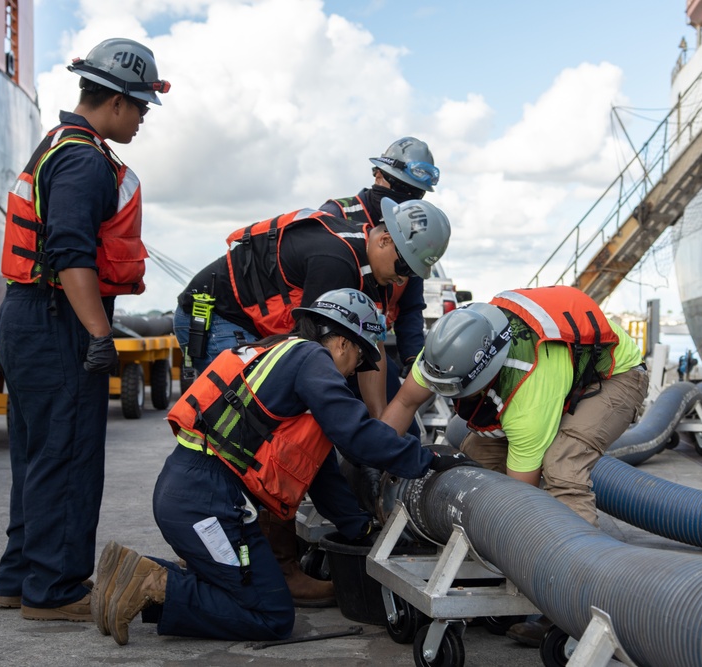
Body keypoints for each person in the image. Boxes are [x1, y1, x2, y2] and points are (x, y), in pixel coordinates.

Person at [92, 288, 471, 645]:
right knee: (270, 614)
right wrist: (427, 459)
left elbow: (319, 471)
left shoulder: (279, 353)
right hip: (206, 504)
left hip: (193, 493)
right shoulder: (312, 360)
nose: (355, 371)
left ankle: (128, 574)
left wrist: (360, 530)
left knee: (252, 589)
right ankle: (151, 583)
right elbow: (356, 434)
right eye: (359, 359)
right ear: (342, 343)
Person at [171, 200, 451, 606]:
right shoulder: (335, 265)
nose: (405, 279)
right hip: (216, 315)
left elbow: (352, 364)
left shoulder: (364, 271)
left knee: (299, 432)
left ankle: (227, 554)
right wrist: (410, 456)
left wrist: (376, 430)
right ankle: (271, 566)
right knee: (262, 442)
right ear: (384, 239)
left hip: (186, 481)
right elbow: (326, 360)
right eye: (405, 267)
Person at [0, 38, 169, 622]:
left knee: (37, 454)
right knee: (67, 454)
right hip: (56, 318)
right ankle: (57, 589)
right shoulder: (85, 159)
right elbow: (70, 254)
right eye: (140, 106)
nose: (142, 118)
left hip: (29, 314)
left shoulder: (57, 147)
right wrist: (99, 333)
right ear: (114, 102)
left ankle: (19, 578)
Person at [382, 285, 648, 646]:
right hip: (561, 371)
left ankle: (578, 605)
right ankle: (488, 579)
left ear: (485, 374)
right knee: (475, 455)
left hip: (615, 377)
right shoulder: (450, 350)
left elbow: (517, 505)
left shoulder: (529, 396)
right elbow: (403, 402)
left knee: (562, 468)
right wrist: (375, 463)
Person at [320, 137, 439, 434]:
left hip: (370, 348)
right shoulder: (338, 216)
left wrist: (414, 360)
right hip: (328, 346)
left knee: (400, 432)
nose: (404, 198)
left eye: (414, 194)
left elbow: (411, 307)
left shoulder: (413, 235)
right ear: (377, 175)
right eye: (398, 188)